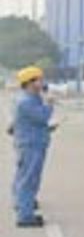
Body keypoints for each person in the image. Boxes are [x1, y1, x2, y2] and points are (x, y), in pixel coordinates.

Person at [11, 66, 55, 228]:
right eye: (39, 79)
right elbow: (42, 116)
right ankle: (25, 216)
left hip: (31, 140)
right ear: (30, 82)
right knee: (29, 179)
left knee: (24, 176)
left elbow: (29, 121)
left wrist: (46, 128)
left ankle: (23, 203)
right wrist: (50, 103)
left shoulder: (30, 98)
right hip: (31, 144)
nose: (43, 82)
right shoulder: (26, 102)